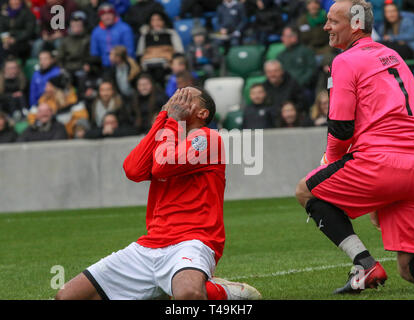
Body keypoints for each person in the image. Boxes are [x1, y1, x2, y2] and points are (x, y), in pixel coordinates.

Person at [55, 87, 262, 300]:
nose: (177, 99)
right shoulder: (168, 136)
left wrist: (172, 121)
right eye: (176, 96)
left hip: (193, 240)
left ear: (202, 114)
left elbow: (163, 165)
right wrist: (163, 118)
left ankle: (224, 293)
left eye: (186, 97)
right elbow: (133, 170)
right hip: (150, 243)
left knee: (188, 295)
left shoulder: (208, 138)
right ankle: (166, 288)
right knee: (66, 296)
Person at [295, 0, 414, 294]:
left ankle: (364, 264)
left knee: (306, 190)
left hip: (380, 161)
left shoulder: (345, 61)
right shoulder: (393, 55)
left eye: (332, 21)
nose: (325, 27)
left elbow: (340, 127)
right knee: (410, 268)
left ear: (355, 25)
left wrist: (331, 165)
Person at [136, 11, 184, 86]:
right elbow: (139, 54)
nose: (156, 22)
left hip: (167, 67)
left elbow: (179, 52)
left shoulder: (171, 33)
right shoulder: (145, 36)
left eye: (159, 20)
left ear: (164, 21)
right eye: (153, 20)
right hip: (148, 67)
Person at [90, 3, 135, 68]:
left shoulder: (125, 28)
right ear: (100, 17)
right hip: (104, 67)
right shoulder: (96, 31)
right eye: (103, 14)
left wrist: (117, 58)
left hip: (123, 64)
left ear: (114, 14)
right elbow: (94, 53)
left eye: (109, 13)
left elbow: (129, 51)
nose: (107, 17)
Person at [277, 26, 318, 94]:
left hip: (303, 87)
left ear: (295, 37)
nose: (283, 39)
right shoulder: (281, 56)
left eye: (286, 36)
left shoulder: (306, 51)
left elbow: (312, 70)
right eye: (283, 36)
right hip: (285, 88)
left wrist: (299, 83)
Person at [56, 11, 91, 79]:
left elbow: (90, 56)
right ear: (71, 26)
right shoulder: (65, 40)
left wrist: (88, 64)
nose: (76, 28)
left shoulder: (88, 39)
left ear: (83, 26)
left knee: (82, 76)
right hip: (68, 68)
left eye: (79, 26)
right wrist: (61, 68)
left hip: (82, 67)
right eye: (74, 26)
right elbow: (60, 57)